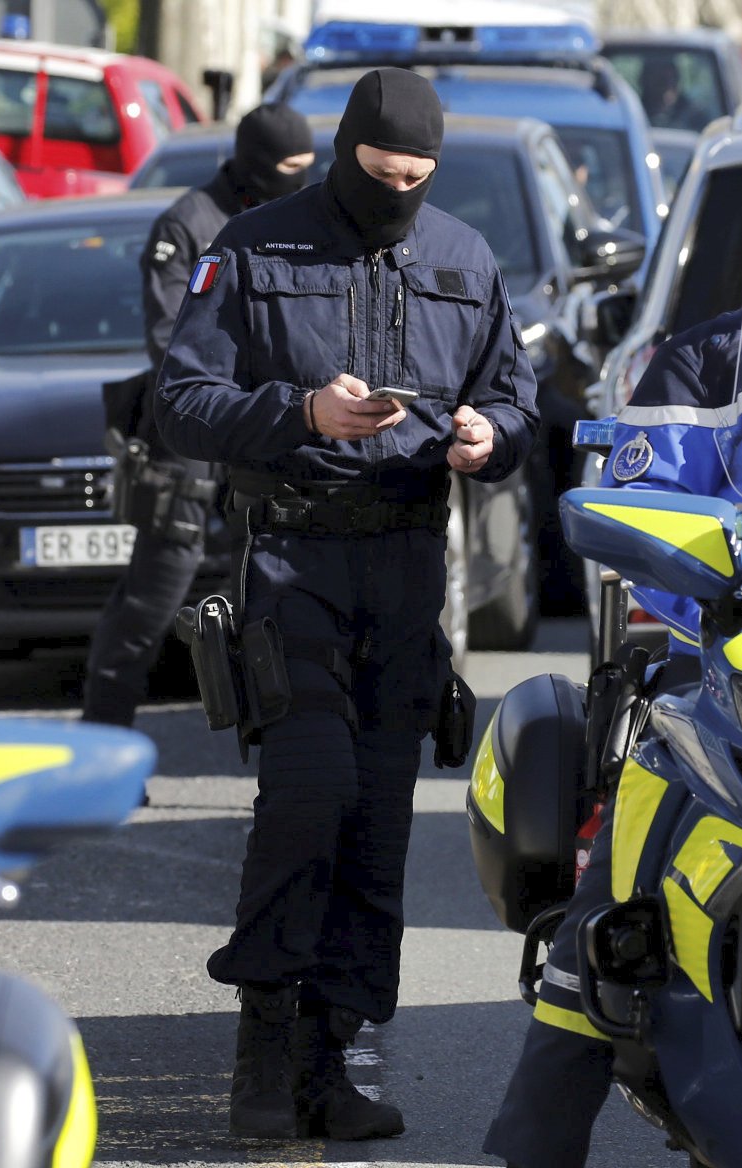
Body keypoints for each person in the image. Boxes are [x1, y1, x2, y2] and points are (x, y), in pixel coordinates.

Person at [154, 67, 539, 1141]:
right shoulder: (255, 245)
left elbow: (514, 403)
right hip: (294, 568)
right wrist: (301, 413)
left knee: (373, 827)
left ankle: (333, 1061)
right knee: (306, 798)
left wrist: (488, 437)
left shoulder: (463, 258)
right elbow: (180, 401)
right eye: (379, 175)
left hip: (409, 572)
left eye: (416, 179)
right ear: (345, 156)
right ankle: (263, 1055)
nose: (396, 193)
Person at [483, 306, 742, 1168]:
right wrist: (717, 601)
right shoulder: (708, 361)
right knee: (611, 898)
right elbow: (638, 515)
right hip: (717, 669)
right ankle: (536, 1145)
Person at [82, 103, 315, 727]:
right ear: (255, 162)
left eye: (307, 169)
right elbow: (171, 340)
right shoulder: (188, 224)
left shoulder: (294, 222)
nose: (299, 179)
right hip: (188, 438)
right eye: (288, 168)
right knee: (150, 603)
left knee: (269, 597)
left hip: (266, 437)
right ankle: (104, 747)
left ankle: (273, 749)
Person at [640, 57, 708, 132]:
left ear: (676, 79)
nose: (662, 88)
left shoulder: (694, 115)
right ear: (644, 81)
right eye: (658, 81)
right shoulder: (634, 112)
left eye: (666, 80)